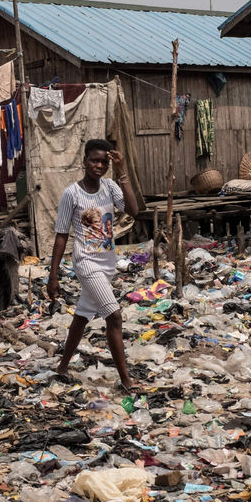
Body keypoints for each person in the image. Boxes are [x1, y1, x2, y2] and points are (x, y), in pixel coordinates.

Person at [47, 138, 142, 391]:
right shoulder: (72, 194)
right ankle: (126, 381)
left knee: (82, 316)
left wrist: (122, 173)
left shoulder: (110, 187)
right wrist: (52, 275)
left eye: (103, 162)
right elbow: (61, 234)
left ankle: (63, 366)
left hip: (107, 263)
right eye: (94, 160)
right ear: (85, 162)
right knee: (114, 316)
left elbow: (133, 210)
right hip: (86, 262)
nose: (99, 165)